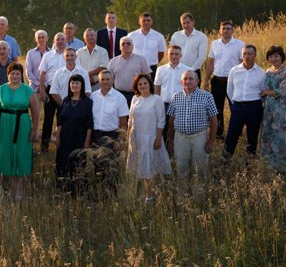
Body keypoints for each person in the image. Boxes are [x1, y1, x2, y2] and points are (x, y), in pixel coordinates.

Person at [167, 70, 218, 193]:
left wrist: (211, 141)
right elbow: (171, 120)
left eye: (191, 79)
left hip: (199, 136)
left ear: (197, 81)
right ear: (181, 81)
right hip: (180, 137)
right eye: (185, 79)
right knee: (181, 167)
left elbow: (214, 120)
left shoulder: (207, 96)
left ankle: (198, 197)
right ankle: (182, 196)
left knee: (200, 168)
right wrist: (170, 140)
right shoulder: (176, 97)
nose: (188, 81)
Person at [0, 63, 39, 195]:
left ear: (21, 75)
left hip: (22, 124)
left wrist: (34, 130)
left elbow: (35, 112)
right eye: (12, 73)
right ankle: (6, 188)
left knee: (21, 153)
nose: (15, 76)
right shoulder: (0, 90)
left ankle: (19, 189)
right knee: (6, 153)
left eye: (18, 73)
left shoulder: (27, 90)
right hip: (5, 125)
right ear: (8, 75)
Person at [126, 73, 171, 202]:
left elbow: (161, 121)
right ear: (136, 86)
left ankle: (150, 194)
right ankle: (143, 192)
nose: (143, 86)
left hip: (150, 137)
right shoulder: (135, 99)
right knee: (138, 167)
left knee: (149, 168)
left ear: (150, 84)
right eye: (140, 84)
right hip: (136, 137)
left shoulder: (157, 99)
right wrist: (128, 137)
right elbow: (130, 119)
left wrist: (158, 139)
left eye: (145, 83)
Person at [90, 69, 130, 193]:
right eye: (102, 79)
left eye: (108, 79)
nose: (105, 82)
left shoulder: (119, 97)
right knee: (97, 165)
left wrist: (120, 140)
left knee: (112, 166)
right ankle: (99, 193)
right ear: (99, 81)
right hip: (96, 135)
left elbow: (123, 122)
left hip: (112, 136)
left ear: (113, 80)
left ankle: (112, 193)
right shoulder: (93, 96)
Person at [53, 74, 93, 195]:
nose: (74, 85)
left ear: (82, 85)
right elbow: (60, 121)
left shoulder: (87, 102)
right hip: (65, 137)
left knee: (78, 163)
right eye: (72, 83)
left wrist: (87, 141)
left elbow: (89, 123)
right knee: (62, 162)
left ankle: (78, 190)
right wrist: (57, 137)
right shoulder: (65, 100)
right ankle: (62, 189)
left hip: (79, 137)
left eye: (77, 83)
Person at [224, 45, 265, 159]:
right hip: (237, 107)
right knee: (232, 135)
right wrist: (234, 104)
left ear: (255, 55)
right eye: (244, 54)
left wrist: (257, 106)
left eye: (249, 54)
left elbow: (262, 92)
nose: (246, 56)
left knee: (252, 136)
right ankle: (225, 160)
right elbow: (229, 89)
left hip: (254, 107)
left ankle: (249, 163)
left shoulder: (261, 73)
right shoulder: (234, 70)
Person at [205, 20, 244, 139]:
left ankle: (236, 132)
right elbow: (211, 62)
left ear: (232, 30)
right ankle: (218, 133)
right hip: (217, 81)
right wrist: (206, 80)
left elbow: (242, 63)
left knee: (235, 107)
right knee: (217, 108)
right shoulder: (215, 44)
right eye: (224, 28)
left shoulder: (240, 44)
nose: (226, 30)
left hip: (233, 81)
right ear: (220, 31)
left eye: (228, 28)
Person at [260, 46, 286, 171]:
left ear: (281, 57)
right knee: (267, 135)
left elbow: (282, 91)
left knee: (280, 137)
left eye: (276, 56)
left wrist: (266, 92)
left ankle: (282, 167)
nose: (273, 58)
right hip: (267, 108)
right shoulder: (267, 71)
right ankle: (268, 165)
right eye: (271, 56)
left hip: (280, 110)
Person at [37, 33, 69, 152]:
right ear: (54, 41)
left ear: (66, 41)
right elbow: (42, 74)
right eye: (58, 39)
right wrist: (42, 91)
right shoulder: (48, 55)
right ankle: (44, 147)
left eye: (62, 39)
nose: (60, 41)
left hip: (66, 91)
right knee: (48, 119)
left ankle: (63, 144)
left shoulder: (71, 55)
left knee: (64, 118)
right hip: (50, 90)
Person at [107, 37, 150, 104]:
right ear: (120, 47)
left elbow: (148, 77)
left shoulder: (141, 59)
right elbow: (109, 79)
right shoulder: (113, 61)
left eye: (128, 43)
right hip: (119, 95)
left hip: (137, 94)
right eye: (123, 44)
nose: (126, 45)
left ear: (132, 47)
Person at [170, 13, 208, 82]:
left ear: (193, 22)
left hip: (193, 72)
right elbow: (171, 53)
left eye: (188, 22)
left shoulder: (201, 37)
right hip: (177, 71)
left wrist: (191, 70)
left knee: (193, 93)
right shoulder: (176, 36)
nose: (185, 25)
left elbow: (202, 57)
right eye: (183, 23)